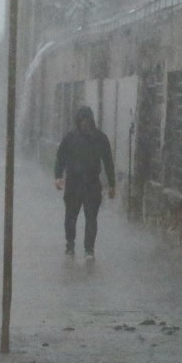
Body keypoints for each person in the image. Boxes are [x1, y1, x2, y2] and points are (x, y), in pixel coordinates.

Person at [54, 106, 116, 259]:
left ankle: (89, 249)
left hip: (92, 183)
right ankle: (70, 244)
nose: (85, 124)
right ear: (78, 121)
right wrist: (58, 176)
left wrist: (112, 184)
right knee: (71, 216)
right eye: (82, 121)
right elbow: (60, 158)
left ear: (91, 121)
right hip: (74, 183)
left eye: (87, 120)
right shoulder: (70, 138)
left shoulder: (100, 138)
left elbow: (108, 161)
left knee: (91, 217)